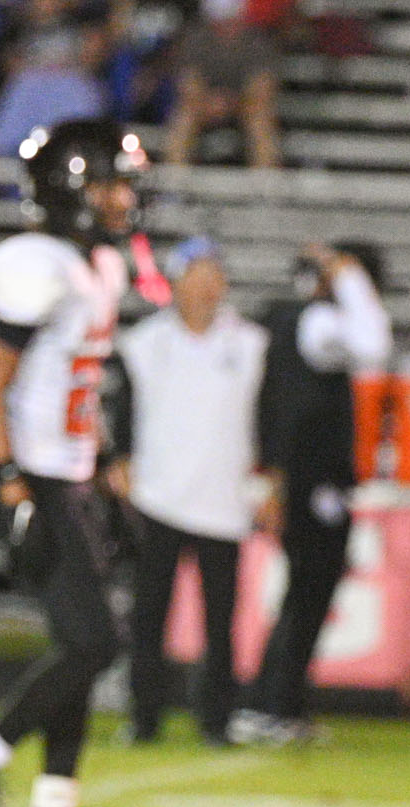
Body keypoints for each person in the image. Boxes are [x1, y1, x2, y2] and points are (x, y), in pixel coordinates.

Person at [0, 119, 145, 807]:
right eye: (110, 185)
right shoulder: (32, 265)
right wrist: (10, 485)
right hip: (28, 474)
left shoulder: (99, 267)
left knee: (81, 643)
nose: (124, 200)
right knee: (95, 641)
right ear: (72, 189)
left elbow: (76, 384)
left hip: (69, 471)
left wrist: (106, 464)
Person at [107, 236, 273, 746]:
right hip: (157, 495)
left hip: (223, 496)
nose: (204, 287)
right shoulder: (144, 343)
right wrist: (121, 460)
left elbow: (268, 417)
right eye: (194, 276)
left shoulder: (250, 344)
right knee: (149, 614)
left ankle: (216, 718)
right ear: (174, 283)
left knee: (220, 618)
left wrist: (268, 479)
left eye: (212, 276)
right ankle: (144, 715)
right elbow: (123, 409)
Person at [229, 240, 391, 744]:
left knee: (310, 589)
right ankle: (270, 703)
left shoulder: (297, 321)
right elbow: (374, 345)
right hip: (310, 478)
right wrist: (349, 276)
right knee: (308, 588)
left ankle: (282, 702)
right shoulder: (317, 321)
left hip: (308, 475)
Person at [0, 0, 111, 160]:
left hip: (69, 86)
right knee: (24, 85)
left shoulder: (81, 21)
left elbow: (93, 57)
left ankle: (79, 150)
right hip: (30, 89)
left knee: (77, 87)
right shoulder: (16, 24)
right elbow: (9, 63)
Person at [163, 0, 284, 169]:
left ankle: (265, 179)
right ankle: (174, 177)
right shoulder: (196, 40)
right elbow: (188, 83)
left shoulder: (257, 42)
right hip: (204, 105)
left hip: (247, 106)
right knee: (184, 117)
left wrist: (232, 104)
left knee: (260, 120)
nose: (225, 27)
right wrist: (207, 103)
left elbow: (262, 87)